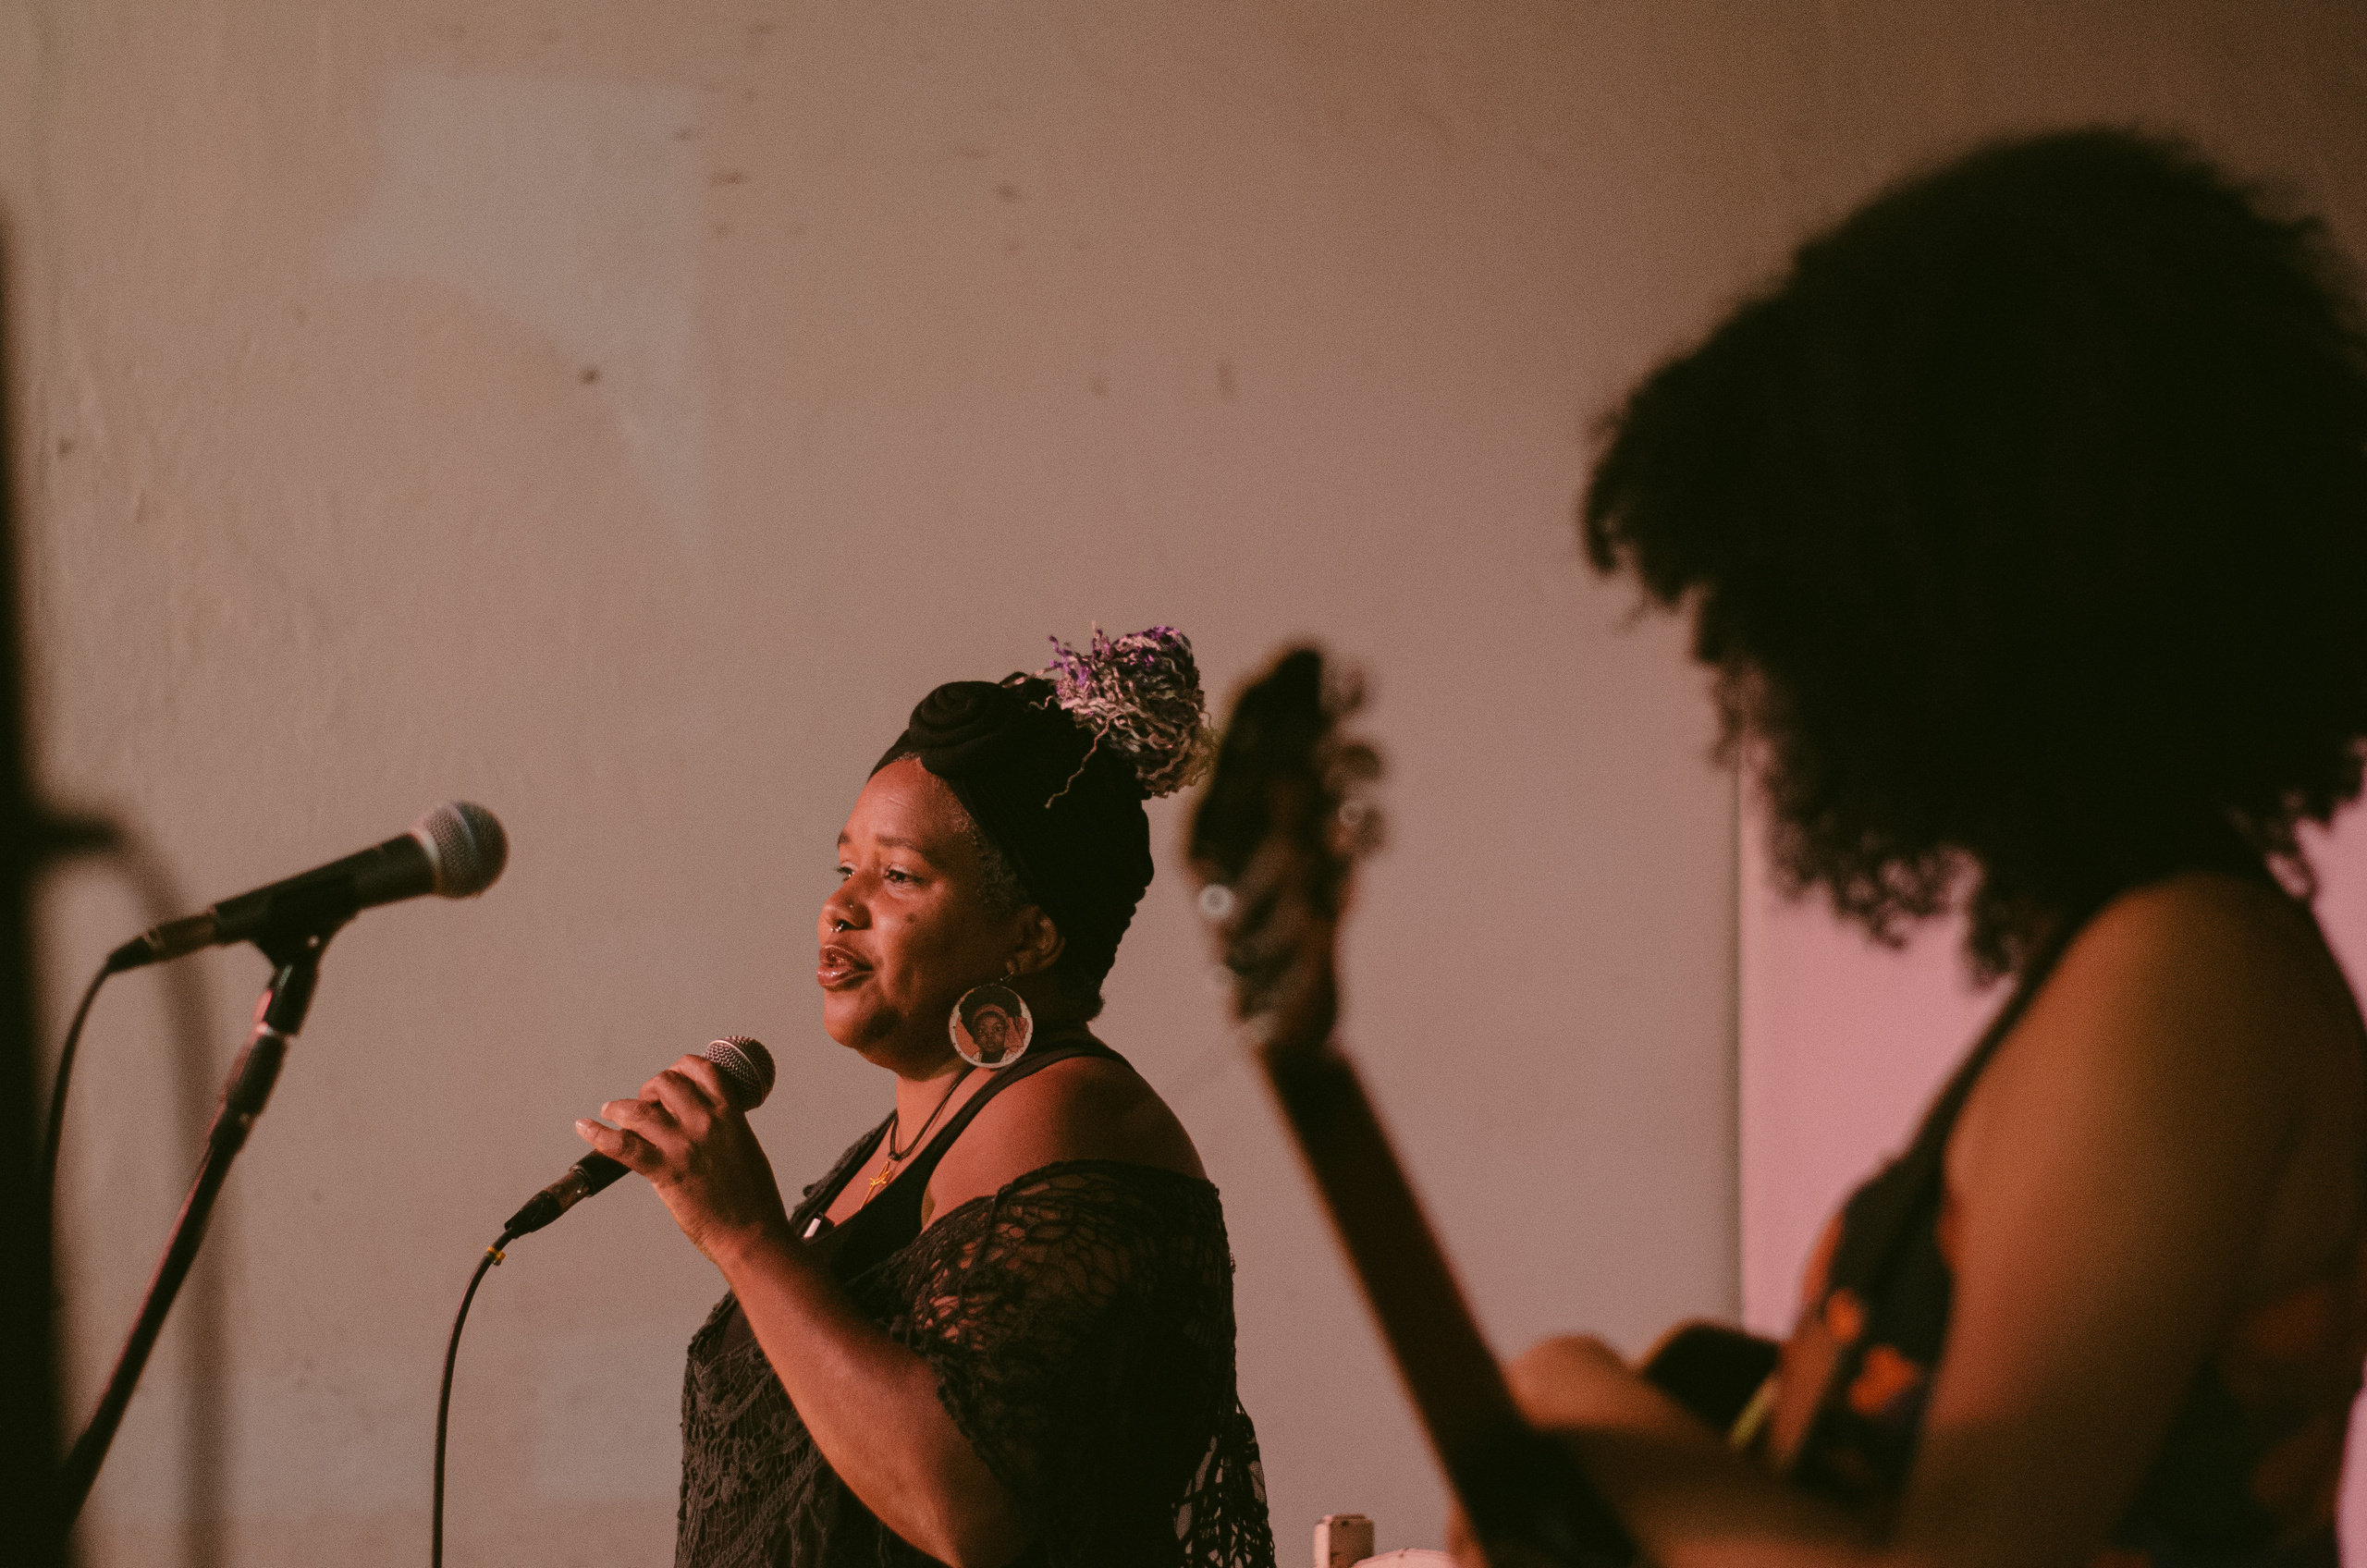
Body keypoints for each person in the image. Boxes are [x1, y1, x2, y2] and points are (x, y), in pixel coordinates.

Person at [1472, 130, 2367, 1568]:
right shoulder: (2153, 954)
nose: (1774, 691)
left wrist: (1585, 1423)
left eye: (1804, 623)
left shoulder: (2181, 975)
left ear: (1954, 624)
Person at [578, 626, 1276, 1568]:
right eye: (844, 867)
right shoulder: (899, 1143)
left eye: (899, 874)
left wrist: (747, 1237)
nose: (843, 904)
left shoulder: (1069, 1113)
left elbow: (964, 1500)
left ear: (1029, 937)